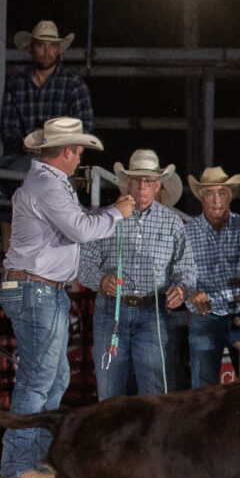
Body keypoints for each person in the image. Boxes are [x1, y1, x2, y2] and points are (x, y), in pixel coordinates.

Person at [0, 115, 135, 478]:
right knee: (40, 378)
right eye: (78, 151)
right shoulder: (49, 186)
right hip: (37, 288)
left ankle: (33, 458)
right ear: (68, 151)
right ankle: (17, 463)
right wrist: (117, 214)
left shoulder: (47, 183)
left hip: (38, 287)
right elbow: (80, 228)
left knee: (53, 377)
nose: (80, 158)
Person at [78, 149, 191, 400]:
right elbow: (83, 264)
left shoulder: (172, 223)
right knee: (109, 391)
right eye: (137, 179)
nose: (142, 185)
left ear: (158, 185)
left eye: (149, 180)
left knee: (153, 394)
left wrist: (181, 289)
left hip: (153, 312)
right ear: (127, 182)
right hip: (111, 311)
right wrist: (100, 280)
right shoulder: (107, 218)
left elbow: (186, 268)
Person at [178, 167, 240, 388]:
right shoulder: (187, 232)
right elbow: (178, 272)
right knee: (204, 389)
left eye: (221, 193)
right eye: (210, 193)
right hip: (206, 316)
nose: (216, 200)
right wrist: (190, 292)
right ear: (201, 198)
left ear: (230, 196)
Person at [0, 18, 94, 164]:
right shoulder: (17, 83)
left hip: (59, 159)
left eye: (52, 46)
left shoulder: (74, 84)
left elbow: (84, 128)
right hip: (22, 157)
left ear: (58, 49)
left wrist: (57, 149)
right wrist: (25, 145)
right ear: (31, 48)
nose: (47, 52)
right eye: (41, 45)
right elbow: (8, 128)